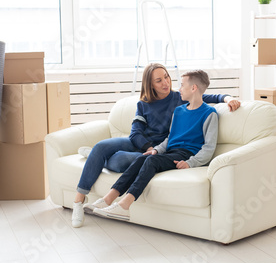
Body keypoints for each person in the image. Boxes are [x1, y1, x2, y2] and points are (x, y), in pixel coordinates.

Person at [72, 63, 240, 227]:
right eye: (159, 80)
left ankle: (104, 171)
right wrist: (151, 149)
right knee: (102, 147)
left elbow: (206, 98)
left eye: (166, 77)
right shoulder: (155, 106)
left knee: (124, 160)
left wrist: (228, 98)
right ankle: (95, 198)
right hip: (145, 144)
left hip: (172, 151)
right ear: (150, 84)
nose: (166, 83)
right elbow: (138, 133)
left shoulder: (182, 101)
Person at [91, 69, 218, 221]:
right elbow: (170, 138)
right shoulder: (178, 111)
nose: (179, 89)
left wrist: (190, 163)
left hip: (186, 154)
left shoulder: (209, 113)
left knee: (151, 161)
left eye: (182, 85)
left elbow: (209, 148)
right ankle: (107, 199)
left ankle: (125, 205)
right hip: (171, 151)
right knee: (142, 159)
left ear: (193, 88)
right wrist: (157, 150)